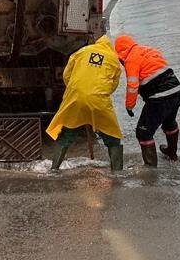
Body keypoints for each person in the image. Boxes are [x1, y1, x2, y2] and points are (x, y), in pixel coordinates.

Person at [46, 33, 124, 171]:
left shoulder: (82, 51)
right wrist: (96, 94)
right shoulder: (113, 59)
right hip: (99, 100)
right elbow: (113, 85)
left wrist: (76, 90)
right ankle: (117, 172)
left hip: (75, 97)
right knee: (112, 136)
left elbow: (66, 75)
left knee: (67, 132)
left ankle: (54, 169)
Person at [113, 35, 180, 167]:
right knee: (169, 122)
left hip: (160, 97)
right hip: (177, 91)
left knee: (143, 132)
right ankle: (172, 154)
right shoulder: (149, 50)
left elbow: (133, 86)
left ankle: (151, 169)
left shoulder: (131, 60)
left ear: (121, 53)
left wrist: (129, 106)